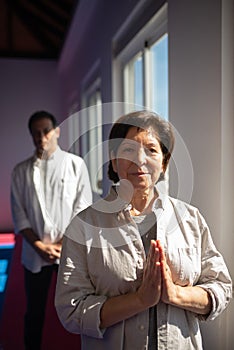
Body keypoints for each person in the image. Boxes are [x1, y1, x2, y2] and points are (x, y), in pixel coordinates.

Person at [55, 110, 232, 350]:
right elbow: (71, 309)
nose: (140, 160)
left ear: (164, 161)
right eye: (128, 149)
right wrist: (139, 300)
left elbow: (220, 287)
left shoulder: (190, 218)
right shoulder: (84, 226)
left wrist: (176, 295)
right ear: (113, 159)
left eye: (151, 150)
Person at [11, 110, 92, 350]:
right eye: (36, 133)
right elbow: (19, 213)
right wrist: (38, 246)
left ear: (57, 131)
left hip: (69, 251)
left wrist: (61, 245)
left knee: (80, 307)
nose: (41, 137)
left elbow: (82, 208)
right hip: (34, 254)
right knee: (34, 311)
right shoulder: (20, 171)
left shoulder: (75, 165)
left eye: (46, 131)